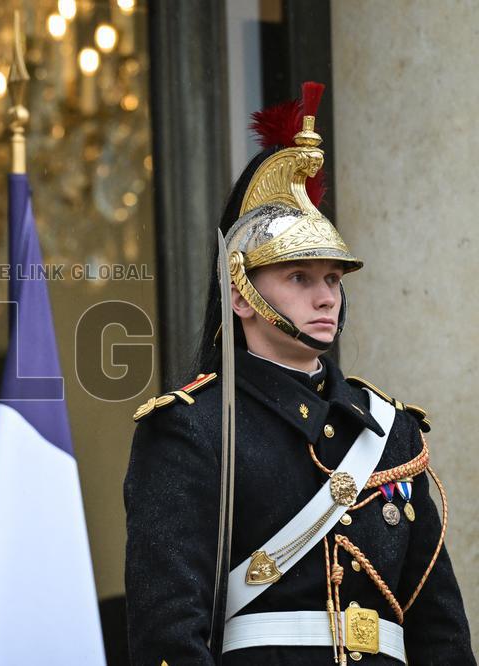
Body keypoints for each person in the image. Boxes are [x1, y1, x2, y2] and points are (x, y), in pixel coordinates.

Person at [124, 83, 474, 665]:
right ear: (241, 295)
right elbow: (168, 634)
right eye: (299, 278)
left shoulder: (390, 432)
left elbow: (440, 629)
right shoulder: (193, 429)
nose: (325, 298)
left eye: (333, 279)